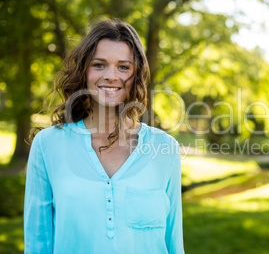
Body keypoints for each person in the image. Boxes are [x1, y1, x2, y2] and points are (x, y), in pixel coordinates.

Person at [24, 19, 185, 254]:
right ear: (84, 71)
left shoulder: (165, 148)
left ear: (137, 74)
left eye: (123, 67)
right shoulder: (48, 145)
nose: (111, 76)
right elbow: (37, 243)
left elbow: (174, 243)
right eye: (99, 65)